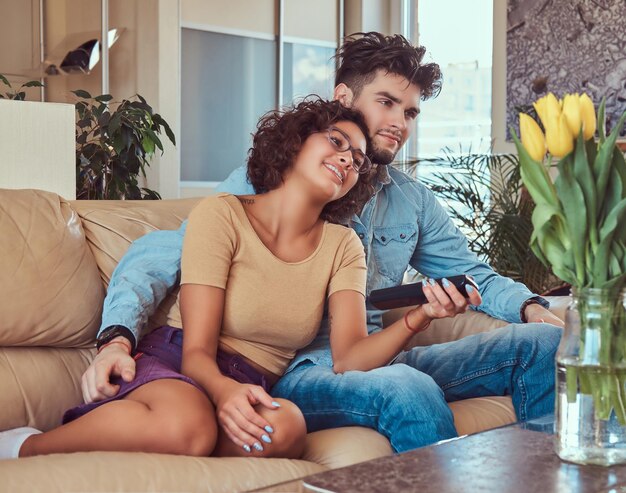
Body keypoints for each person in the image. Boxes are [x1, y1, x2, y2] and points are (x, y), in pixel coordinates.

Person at [60, 33, 564, 454]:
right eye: (386, 102)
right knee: (405, 388)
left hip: (380, 356)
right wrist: (117, 338)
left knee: (545, 346)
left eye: (410, 112)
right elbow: (154, 259)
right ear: (342, 100)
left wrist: (533, 309)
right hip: (305, 368)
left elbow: (472, 272)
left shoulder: (410, 202)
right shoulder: (266, 187)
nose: (399, 123)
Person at [2, 98, 447, 460]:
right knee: (189, 426)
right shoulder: (223, 215)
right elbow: (197, 352)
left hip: (253, 381)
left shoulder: (343, 246)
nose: (348, 159)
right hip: (182, 362)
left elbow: (349, 358)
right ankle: (27, 446)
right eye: (336, 141)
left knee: (287, 427)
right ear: (294, 144)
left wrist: (419, 318)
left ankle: (173, 432)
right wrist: (222, 391)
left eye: (359, 161)